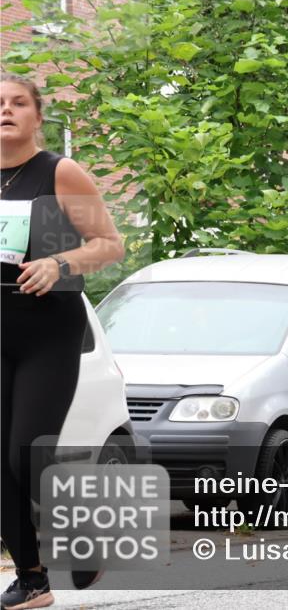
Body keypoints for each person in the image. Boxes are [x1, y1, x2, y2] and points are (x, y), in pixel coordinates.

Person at [1, 74, 125, 608]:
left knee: (25, 452)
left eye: (18, 102)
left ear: (37, 116)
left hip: (48, 331)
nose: (6, 110)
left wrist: (58, 262)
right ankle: (32, 580)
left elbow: (110, 244)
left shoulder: (58, 172)